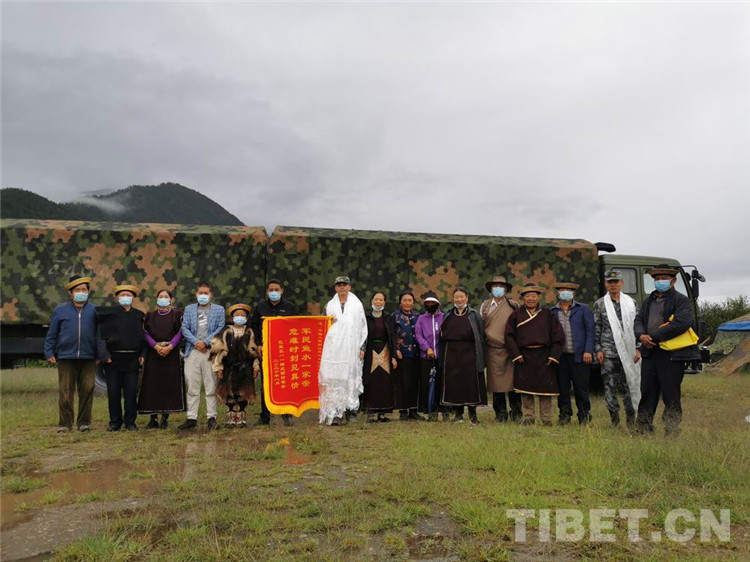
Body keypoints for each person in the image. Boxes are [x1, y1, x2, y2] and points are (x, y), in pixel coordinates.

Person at [634, 265, 699, 436]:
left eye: (663, 278)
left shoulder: (681, 300)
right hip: (649, 353)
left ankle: (671, 431)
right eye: (656, 279)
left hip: (671, 355)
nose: (660, 281)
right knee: (647, 392)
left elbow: (681, 323)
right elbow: (638, 320)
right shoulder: (649, 301)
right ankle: (643, 429)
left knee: (671, 395)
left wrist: (652, 337)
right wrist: (641, 335)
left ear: (673, 281)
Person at [44, 275, 100, 433]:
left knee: (87, 390)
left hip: (89, 357)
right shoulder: (60, 311)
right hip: (66, 357)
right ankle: (65, 424)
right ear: (70, 293)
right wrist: (49, 352)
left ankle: (84, 423)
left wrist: (99, 354)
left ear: (88, 292)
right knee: (65, 392)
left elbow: (99, 335)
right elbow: (52, 334)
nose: (81, 292)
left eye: (84, 289)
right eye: (77, 290)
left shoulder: (94, 311)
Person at [505, 284, 565, 425]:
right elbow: (508, 336)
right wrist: (516, 354)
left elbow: (558, 336)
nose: (530, 299)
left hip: (545, 356)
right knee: (526, 389)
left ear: (538, 297)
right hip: (524, 356)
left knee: (545, 390)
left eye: (533, 296)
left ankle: (546, 418)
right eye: (527, 296)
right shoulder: (516, 314)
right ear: (523, 298)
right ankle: (529, 417)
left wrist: (553, 355)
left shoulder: (547, 314)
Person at [593, 270, 641, 427]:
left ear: (622, 283)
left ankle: (631, 420)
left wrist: (638, 348)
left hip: (629, 352)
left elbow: (638, 327)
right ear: (606, 284)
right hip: (609, 353)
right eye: (610, 282)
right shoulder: (600, 304)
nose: (613, 285)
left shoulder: (631, 303)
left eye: (616, 281)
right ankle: (615, 421)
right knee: (609, 388)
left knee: (630, 386)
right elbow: (597, 328)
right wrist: (598, 349)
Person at [318, 276, 368, 426]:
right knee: (334, 379)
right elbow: (321, 326)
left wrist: (362, 347)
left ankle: (351, 411)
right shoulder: (329, 305)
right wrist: (328, 322)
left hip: (351, 349)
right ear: (335, 288)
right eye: (339, 285)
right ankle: (335, 413)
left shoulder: (357, 306)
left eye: (344, 285)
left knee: (350, 378)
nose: (342, 288)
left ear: (349, 287)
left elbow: (363, 327)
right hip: (333, 351)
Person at [250, 279, 299, 427]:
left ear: (282, 290)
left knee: (285, 383)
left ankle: (287, 414)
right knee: (266, 384)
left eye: (276, 289)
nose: (273, 292)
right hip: (265, 351)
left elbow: (297, 327)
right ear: (267, 291)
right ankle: (265, 416)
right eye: (271, 290)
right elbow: (254, 327)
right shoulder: (260, 307)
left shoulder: (290, 307)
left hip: (284, 351)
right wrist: (258, 345)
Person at [97, 284, 146, 431]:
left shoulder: (139, 315)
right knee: (113, 393)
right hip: (114, 360)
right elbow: (101, 338)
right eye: (122, 295)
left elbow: (145, 337)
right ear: (117, 297)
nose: (125, 297)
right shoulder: (109, 315)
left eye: (128, 295)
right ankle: (114, 422)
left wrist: (143, 354)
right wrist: (105, 356)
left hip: (132, 360)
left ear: (133, 298)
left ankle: (130, 422)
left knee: (131, 393)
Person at [179, 282, 225, 431]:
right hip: (192, 351)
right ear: (196, 294)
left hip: (209, 352)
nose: (203, 296)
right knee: (192, 385)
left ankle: (212, 417)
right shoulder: (189, 309)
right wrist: (196, 342)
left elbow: (220, 327)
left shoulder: (219, 310)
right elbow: (184, 328)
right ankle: (191, 418)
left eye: (206, 293)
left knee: (210, 385)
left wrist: (205, 342)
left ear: (211, 295)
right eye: (201, 293)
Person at [138, 289, 184, 429]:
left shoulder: (177, 315)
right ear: (156, 299)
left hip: (171, 353)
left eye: (166, 296)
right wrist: (156, 347)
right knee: (152, 385)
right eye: (160, 296)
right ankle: (153, 418)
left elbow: (181, 332)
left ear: (171, 300)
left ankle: (165, 417)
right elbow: (145, 333)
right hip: (154, 354)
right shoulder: (150, 316)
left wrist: (169, 347)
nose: (163, 298)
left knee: (168, 385)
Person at [439, 286, 487, 424]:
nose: (459, 300)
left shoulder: (474, 314)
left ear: (467, 298)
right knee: (455, 383)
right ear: (453, 299)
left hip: (470, 353)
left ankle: (473, 416)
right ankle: (458, 415)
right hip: (452, 354)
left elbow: (481, 335)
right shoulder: (448, 314)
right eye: (456, 297)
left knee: (470, 383)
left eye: (462, 297)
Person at [550, 281, 595, 425]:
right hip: (560, 357)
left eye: (568, 290)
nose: (565, 293)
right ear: (557, 293)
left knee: (581, 388)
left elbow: (590, 331)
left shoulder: (583, 309)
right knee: (562, 388)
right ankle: (564, 415)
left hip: (579, 356)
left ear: (574, 293)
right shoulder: (552, 312)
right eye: (562, 290)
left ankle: (584, 415)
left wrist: (588, 350)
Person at [479, 275, 521, 423]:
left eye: (501, 286)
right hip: (492, 350)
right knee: (496, 384)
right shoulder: (485, 305)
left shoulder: (513, 305)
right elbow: (481, 327)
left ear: (506, 289)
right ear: (491, 289)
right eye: (495, 286)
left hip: (510, 350)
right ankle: (500, 414)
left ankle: (516, 413)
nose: (498, 288)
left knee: (513, 383)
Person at [211, 304, 260, 428]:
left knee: (243, 393)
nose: (239, 317)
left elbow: (254, 351)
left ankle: (242, 418)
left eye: (242, 315)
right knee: (229, 393)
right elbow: (218, 350)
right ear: (232, 317)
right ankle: (231, 419)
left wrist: (255, 367)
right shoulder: (226, 331)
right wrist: (219, 367)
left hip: (245, 367)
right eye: (237, 315)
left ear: (247, 317)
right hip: (229, 368)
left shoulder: (249, 331)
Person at [362, 291, 397, 422]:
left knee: (384, 381)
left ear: (384, 302)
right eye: (376, 299)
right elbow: (362, 334)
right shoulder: (366, 317)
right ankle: (370, 412)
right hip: (370, 351)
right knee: (371, 381)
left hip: (385, 350)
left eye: (381, 300)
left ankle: (383, 412)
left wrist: (393, 355)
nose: (378, 302)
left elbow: (392, 336)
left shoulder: (388, 317)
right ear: (371, 301)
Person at [390, 291, 425, 421]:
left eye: (410, 300)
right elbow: (392, 335)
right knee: (402, 382)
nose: (407, 303)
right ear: (400, 302)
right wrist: (395, 351)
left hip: (416, 353)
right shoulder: (395, 316)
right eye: (405, 300)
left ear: (413, 302)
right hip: (401, 354)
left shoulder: (418, 316)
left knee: (415, 382)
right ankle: (403, 411)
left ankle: (413, 410)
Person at [415, 292, 447, 421]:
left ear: (438, 304)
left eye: (433, 304)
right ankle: (430, 412)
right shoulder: (421, 319)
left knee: (442, 384)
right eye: (427, 304)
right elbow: (418, 335)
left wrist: (439, 350)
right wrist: (427, 348)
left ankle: (445, 411)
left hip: (441, 357)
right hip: (426, 358)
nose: (430, 306)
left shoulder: (444, 317)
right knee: (427, 385)